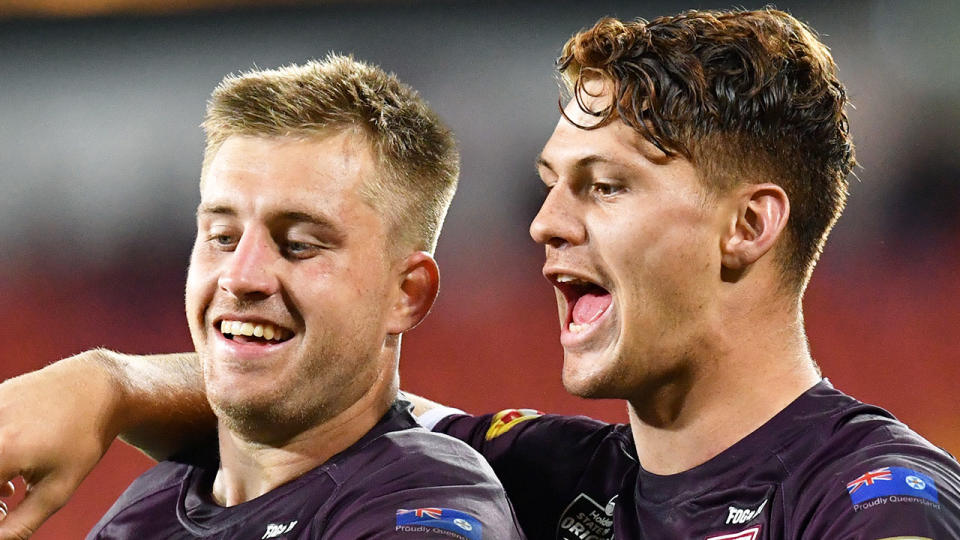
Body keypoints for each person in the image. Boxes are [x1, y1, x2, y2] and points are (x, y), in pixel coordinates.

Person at [1, 7, 959, 540]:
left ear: (747, 225)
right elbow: (321, 389)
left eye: (605, 186)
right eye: (551, 184)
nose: (546, 223)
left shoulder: (873, 502)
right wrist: (108, 383)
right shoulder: (537, 475)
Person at [0, 56, 527, 540]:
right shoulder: (141, 515)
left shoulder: (424, 504)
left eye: (298, 245)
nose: (241, 275)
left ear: (406, 294)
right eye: (222, 237)